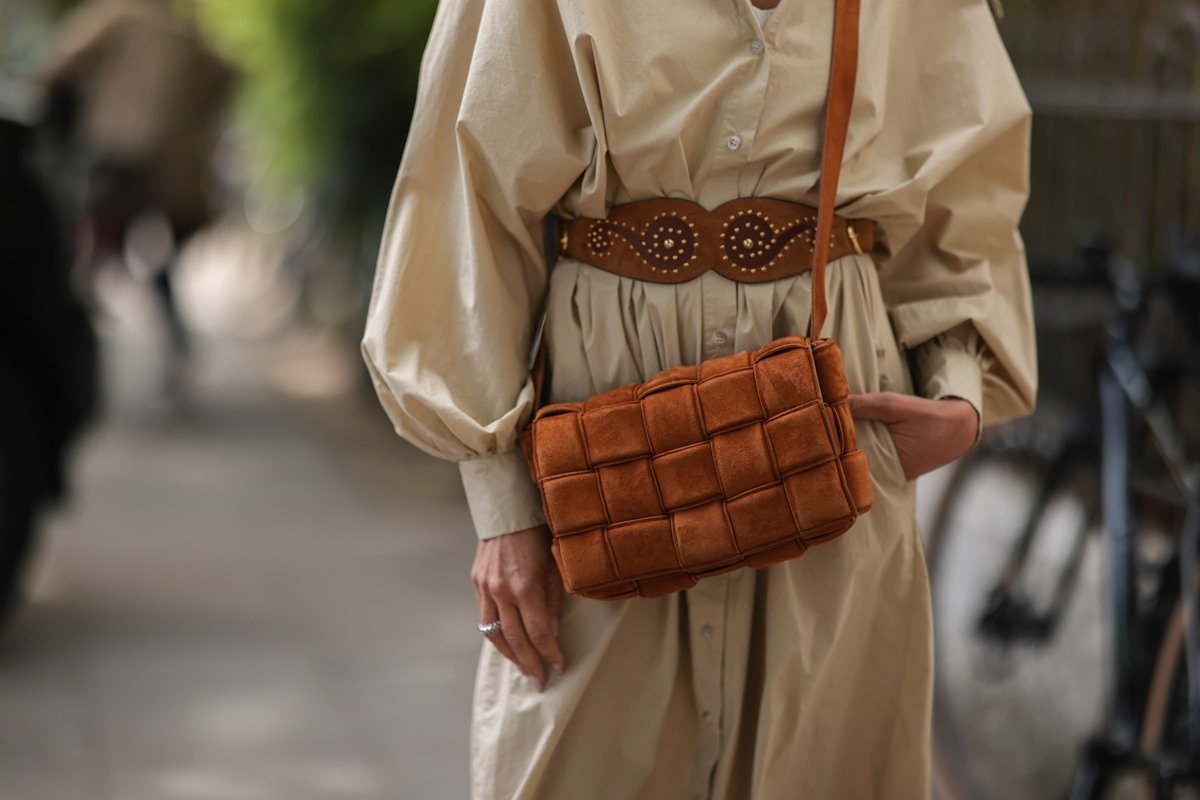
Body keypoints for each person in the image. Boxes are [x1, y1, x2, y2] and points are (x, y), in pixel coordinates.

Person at [361, 0, 1036, 796]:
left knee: (822, 762)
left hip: (834, 427)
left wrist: (957, 394)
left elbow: (966, 192)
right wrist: (501, 502)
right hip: (608, 436)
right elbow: (465, 196)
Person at [40, 0, 232, 395]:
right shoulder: (187, 35)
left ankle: (64, 352)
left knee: (93, 252)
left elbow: (58, 64)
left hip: (119, 158)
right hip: (177, 168)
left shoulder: (116, 17)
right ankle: (174, 338)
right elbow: (227, 75)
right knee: (161, 262)